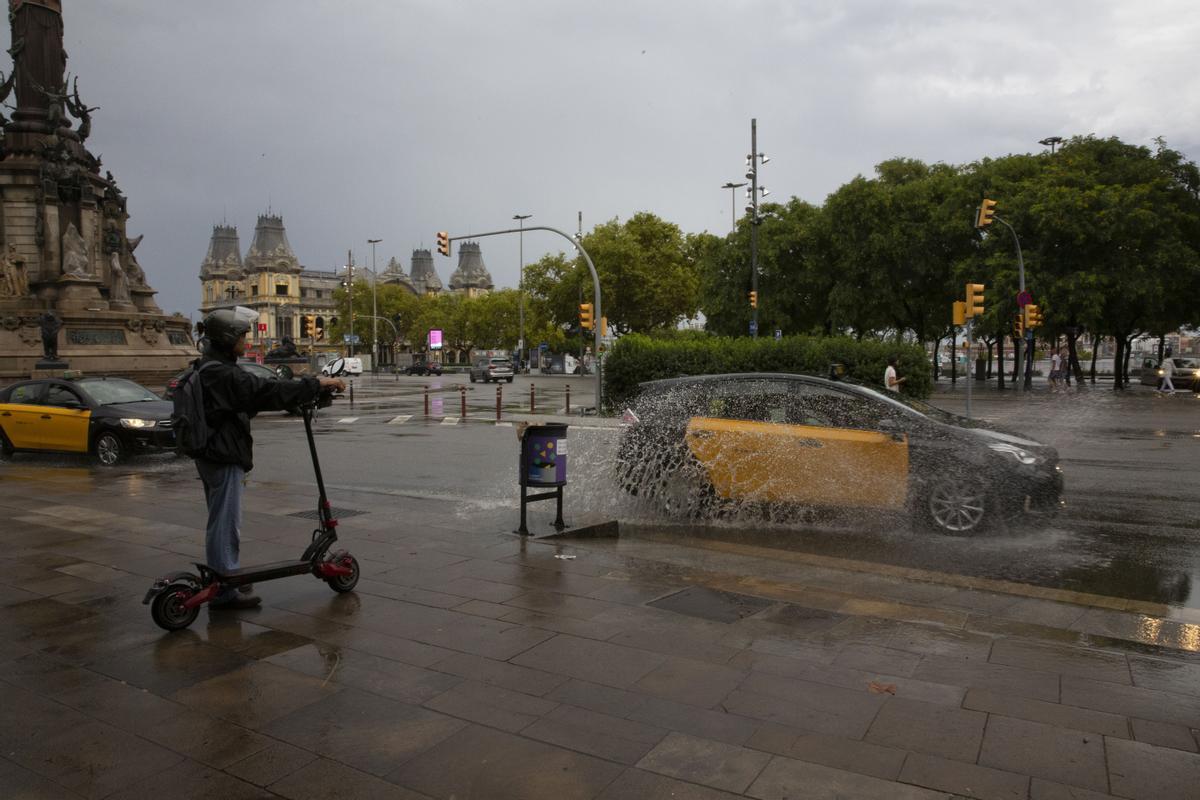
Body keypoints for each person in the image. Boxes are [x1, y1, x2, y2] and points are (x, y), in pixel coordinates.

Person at [190, 307, 345, 609]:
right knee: (226, 524)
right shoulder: (221, 373)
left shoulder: (209, 367)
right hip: (224, 455)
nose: (245, 340)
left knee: (219, 520)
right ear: (226, 338)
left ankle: (226, 576)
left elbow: (248, 400)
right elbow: (264, 390)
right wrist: (315, 384)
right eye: (241, 335)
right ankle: (224, 590)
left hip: (212, 452)